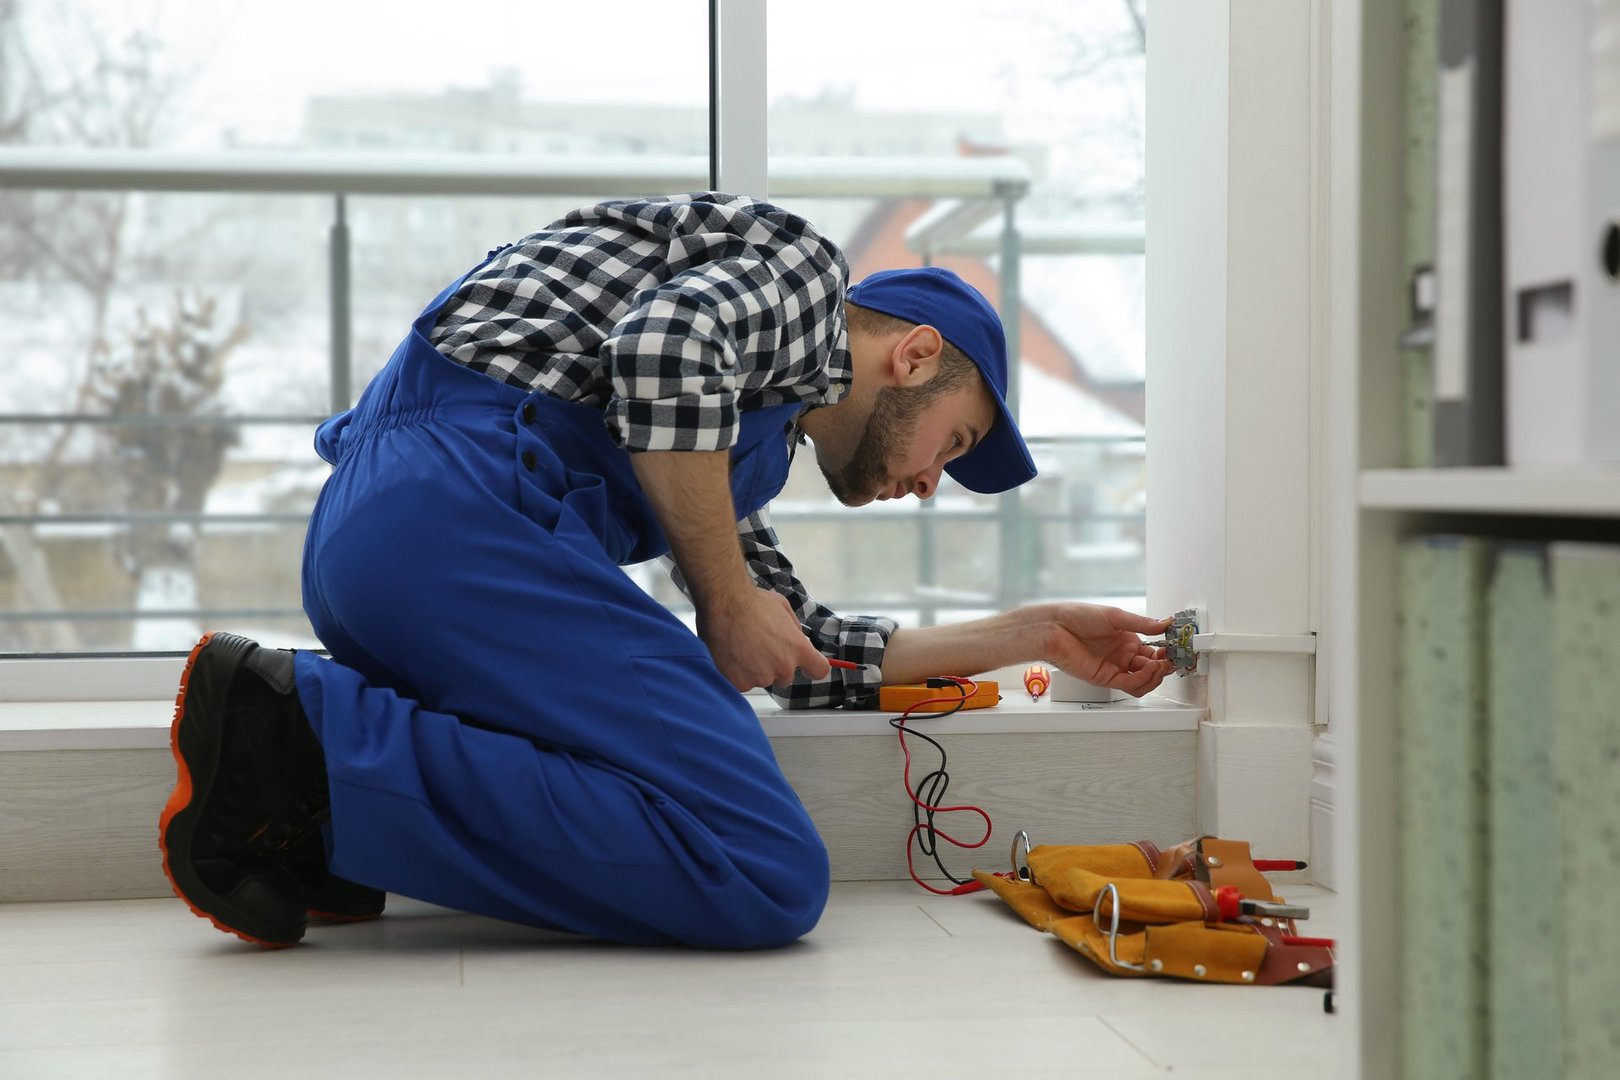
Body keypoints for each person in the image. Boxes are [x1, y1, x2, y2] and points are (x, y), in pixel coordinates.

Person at [158, 192, 1174, 951]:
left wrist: (1037, 635)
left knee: (739, 842)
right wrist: (724, 599)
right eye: (952, 445)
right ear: (913, 356)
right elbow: (664, 345)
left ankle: (311, 815)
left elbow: (799, 648)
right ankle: (299, 742)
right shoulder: (806, 284)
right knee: (765, 868)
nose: (928, 486)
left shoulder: (733, 444)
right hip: (459, 510)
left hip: (386, 545)